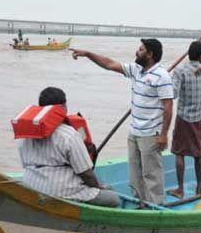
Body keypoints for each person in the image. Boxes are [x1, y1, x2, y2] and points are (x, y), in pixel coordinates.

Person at [70, 39, 173, 204]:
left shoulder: (162, 76)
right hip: (134, 131)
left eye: (140, 49)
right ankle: (140, 203)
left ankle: (155, 206)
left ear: (150, 54)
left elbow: (168, 106)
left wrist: (164, 135)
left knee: (151, 174)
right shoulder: (136, 70)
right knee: (134, 174)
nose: (136, 52)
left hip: (150, 134)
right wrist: (88, 54)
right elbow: (109, 64)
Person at [18, 87, 120, 207]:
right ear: (63, 107)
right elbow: (86, 173)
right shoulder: (68, 134)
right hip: (63, 192)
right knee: (113, 198)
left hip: (32, 186)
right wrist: (99, 187)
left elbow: (24, 164)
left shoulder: (26, 133)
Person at [168, 41, 201, 199]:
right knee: (198, 154)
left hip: (184, 117)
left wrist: (165, 81)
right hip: (198, 118)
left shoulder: (180, 70)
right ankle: (199, 188)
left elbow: (173, 94)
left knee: (179, 152)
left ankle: (180, 189)